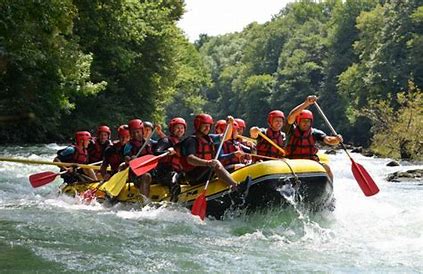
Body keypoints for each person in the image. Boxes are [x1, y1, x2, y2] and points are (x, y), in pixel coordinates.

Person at [285, 95, 343, 180]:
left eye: (308, 121)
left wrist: (337, 140)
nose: (306, 123)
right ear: (298, 122)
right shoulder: (291, 130)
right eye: (303, 121)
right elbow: (291, 116)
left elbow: (329, 140)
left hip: (310, 162)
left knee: (326, 168)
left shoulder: (315, 133)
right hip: (293, 160)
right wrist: (306, 103)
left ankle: (329, 190)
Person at [179, 114, 238, 189]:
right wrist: (208, 163)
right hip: (194, 175)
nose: (207, 128)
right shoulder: (191, 141)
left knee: (234, 166)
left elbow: (225, 137)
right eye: (205, 126)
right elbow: (190, 159)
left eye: (209, 126)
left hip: (207, 170)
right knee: (216, 163)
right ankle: (235, 186)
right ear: (198, 125)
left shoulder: (210, 138)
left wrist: (230, 125)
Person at [153, 117, 187, 201]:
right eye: (177, 128)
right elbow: (156, 153)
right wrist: (167, 151)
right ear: (172, 129)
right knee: (173, 176)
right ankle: (173, 202)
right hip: (164, 173)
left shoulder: (182, 143)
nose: (180, 130)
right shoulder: (165, 141)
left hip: (178, 171)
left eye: (182, 128)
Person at [123, 119, 154, 197]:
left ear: (142, 131)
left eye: (138, 132)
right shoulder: (128, 145)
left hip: (151, 170)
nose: (136, 134)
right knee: (146, 176)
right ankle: (144, 202)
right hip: (136, 174)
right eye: (133, 132)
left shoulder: (148, 143)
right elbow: (126, 158)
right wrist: (131, 160)